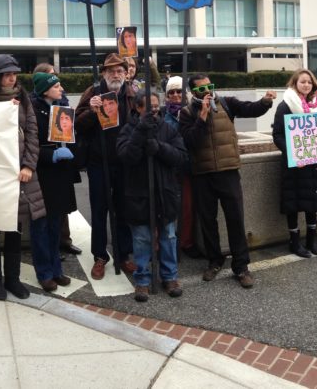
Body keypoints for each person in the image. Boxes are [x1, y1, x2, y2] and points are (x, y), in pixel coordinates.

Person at [178, 75, 275, 288]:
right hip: (202, 174)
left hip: (228, 170)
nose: (208, 92)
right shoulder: (186, 114)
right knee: (208, 220)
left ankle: (241, 266)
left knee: (235, 218)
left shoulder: (227, 103)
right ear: (194, 92)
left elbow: (250, 109)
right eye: (202, 89)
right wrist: (202, 117)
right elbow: (190, 142)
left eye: (210, 87)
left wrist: (266, 102)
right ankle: (214, 261)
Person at [0, 54, 46, 300]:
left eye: (14, 73)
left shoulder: (22, 99)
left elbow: (32, 134)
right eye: (6, 74)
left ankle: (13, 279)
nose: (12, 78)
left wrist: (28, 166)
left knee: (15, 228)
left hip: (18, 176)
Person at [117, 92, 188, 302]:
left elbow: (181, 157)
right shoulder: (128, 130)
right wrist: (140, 132)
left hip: (164, 192)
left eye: (157, 105)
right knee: (141, 239)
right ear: (138, 108)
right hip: (138, 194)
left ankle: (170, 277)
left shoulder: (167, 129)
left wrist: (160, 149)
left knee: (168, 236)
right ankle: (143, 280)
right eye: (150, 106)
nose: (155, 110)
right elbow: (126, 157)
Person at [74, 53, 136, 279]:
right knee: (99, 209)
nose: (116, 74)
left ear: (126, 73)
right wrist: (91, 110)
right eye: (111, 71)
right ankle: (100, 256)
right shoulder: (93, 93)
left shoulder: (131, 93)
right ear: (104, 74)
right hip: (98, 162)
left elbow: (142, 120)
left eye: (120, 70)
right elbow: (76, 125)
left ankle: (124, 254)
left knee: (123, 209)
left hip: (124, 162)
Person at [272, 69, 317, 256]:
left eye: (309, 82)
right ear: (295, 84)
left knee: (312, 201)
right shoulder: (285, 106)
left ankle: (312, 240)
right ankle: (295, 242)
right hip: (295, 164)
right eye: (302, 82)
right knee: (294, 202)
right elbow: (278, 135)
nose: (306, 85)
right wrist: (294, 154)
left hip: (314, 163)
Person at [31, 70, 76, 292]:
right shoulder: (33, 111)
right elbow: (28, 146)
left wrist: (70, 145)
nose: (61, 89)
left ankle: (57, 270)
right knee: (40, 226)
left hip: (59, 174)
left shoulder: (60, 109)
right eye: (56, 85)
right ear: (45, 89)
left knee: (55, 225)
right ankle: (44, 272)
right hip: (42, 174)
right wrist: (52, 154)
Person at [162, 76, 199, 256]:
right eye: (171, 92)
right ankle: (167, 244)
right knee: (168, 208)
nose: (176, 95)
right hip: (169, 168)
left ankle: (186, 242)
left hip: (188, 167)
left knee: (187, 207)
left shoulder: (193, 111)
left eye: (179, 91)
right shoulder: (162, 114)